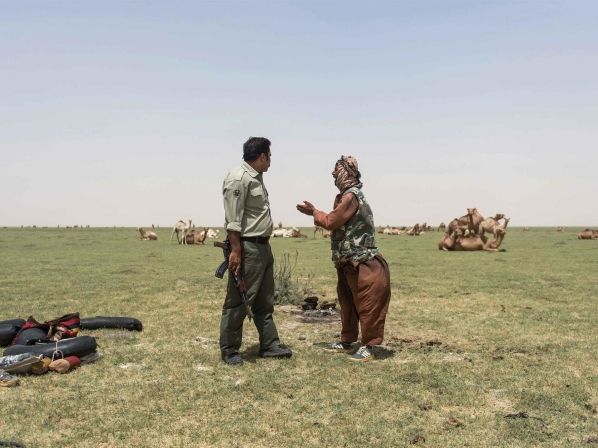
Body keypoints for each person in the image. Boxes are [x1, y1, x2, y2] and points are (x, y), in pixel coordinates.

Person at [296, 155, 391, 362]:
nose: (332, 173)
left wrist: (314, 212)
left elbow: (331, 221)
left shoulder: (351, 196)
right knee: (347, 303)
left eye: (337, 169)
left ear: (348, 172)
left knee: (367, 304)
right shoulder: (345, 196)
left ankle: (369, 347)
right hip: (348, 262)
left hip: (362, 262)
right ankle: (347, 341)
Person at [220, 137, 292, 365]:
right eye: (269, 156)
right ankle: (230, 349)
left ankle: (269, 345)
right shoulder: (238, 178)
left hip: (263, 247)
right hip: (247, 247)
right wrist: (236, 251)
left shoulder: (256, 177)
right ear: (262, 156)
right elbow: (233, 219)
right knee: (239, 300)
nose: (270, 160)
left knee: (264, 300)